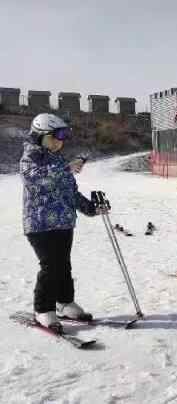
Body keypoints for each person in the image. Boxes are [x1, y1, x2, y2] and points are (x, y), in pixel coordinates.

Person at [20, 113, 103, 331]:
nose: (59, 142)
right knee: (50, 266)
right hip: (40, 224)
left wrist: (91, 208)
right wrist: (66, 167)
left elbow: (71, 193)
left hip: (64, 222)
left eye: (62, 138)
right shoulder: (30, 158)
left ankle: (65, 302)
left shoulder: (58, 159)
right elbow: (37, 179)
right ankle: (43, 309)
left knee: (63, 265)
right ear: (39, 136)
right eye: (53, 138)